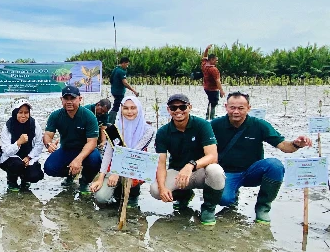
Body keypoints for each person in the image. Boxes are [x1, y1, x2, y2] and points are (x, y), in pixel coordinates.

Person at [211, 91, 313, 223]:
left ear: (248, 108)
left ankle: (263, 207)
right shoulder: (215, 125)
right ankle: (232, 198)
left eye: (241, 108)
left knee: (275, 165)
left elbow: (283, 146)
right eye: (232, 107)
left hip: (252, 171)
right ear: (226, 107)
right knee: (224, 200)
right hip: (226, 173)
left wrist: (296, 144)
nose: (236, 111)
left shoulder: (259, 125)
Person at [149, 93, 226, 225]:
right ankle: (184, 196)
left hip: (201, 170)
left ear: (189, 107)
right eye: (173, 108)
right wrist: (162, 188)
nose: (178, 111)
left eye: (182, 107)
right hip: (178, 173)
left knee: (216, 170)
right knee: (155, 190)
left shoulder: (202, 125)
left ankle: (208, 208)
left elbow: (212, 156)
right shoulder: (163, 132)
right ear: (168, 110)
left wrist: (191, 165)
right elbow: (161, 163)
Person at [90, 96, 155, 207]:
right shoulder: (114, 129)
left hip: (135, 164)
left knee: (130, 182)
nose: (129, 112)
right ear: (121, 109)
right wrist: (101, 178)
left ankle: (133, 195)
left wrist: (117, 172)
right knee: (101, 197)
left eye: (133, 108)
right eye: (126, 108)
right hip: (115, 164)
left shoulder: (148, 130)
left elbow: (134, 153)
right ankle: (116, 191)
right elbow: (108, 154)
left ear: (138, 109)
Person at [43, 86, 102, 194]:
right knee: (49, 168)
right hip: (67, 149)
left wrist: (78, 160)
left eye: (73, 98)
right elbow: (47, 135)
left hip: (86, 150)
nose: (69, 102)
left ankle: (85, 181)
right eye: (66, 99)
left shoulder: (89, 116)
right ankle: (71, 174)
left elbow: (92, 142)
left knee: (96, 160)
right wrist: (48, 144)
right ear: (62, 100)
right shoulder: (56, 115)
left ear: (80, 99)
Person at [0, 99, 45, 191]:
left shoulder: (34, 124)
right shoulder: (8, 126)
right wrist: (18, 143)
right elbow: (5, 150)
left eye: (26, 112)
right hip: (11, 158)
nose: (23, 116)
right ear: (15, 112)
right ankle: (12, 180)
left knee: (36, 175)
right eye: (20, 112)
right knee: (17, 164)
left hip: (28, 156)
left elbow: (39, 144)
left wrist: (29, 157)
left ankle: (25, 179)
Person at [109, 57, 139, 124]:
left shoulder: (116, 69)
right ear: (123, 63)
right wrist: (134, 91)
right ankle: (110, 121)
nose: (127, 66)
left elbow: (110, 80)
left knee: (118, 105)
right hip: (119, 92)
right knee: (116, 107)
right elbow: (125, 83)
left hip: (114, 91)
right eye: (127, 64)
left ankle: (116, 120)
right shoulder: (121, 72)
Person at [201, 44, 225, 120]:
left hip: (206, 87)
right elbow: (217, 81)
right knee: (214, 103)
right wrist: (221, 91)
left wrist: (206, 49)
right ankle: (211, 117)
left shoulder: (204, 65)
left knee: (210, 101)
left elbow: (204, 57)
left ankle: (208, 115)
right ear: (211, 60)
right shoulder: (214, 69)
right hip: (213, 89)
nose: (216, 61)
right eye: (215, 60)